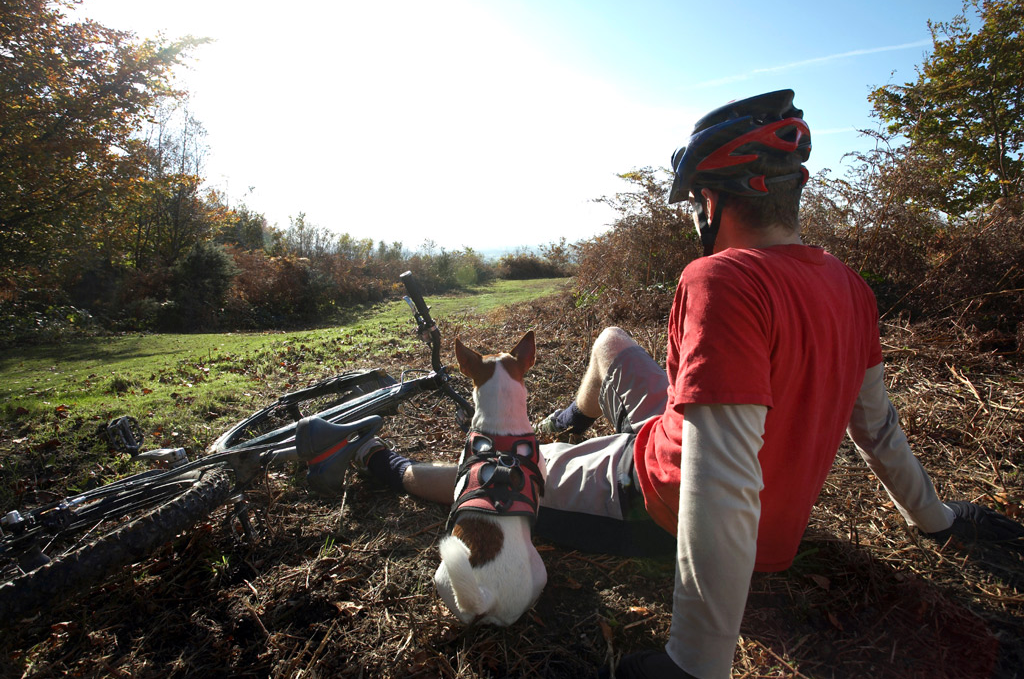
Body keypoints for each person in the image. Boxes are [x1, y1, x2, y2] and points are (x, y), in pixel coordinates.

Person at [347, 89, 1024, 679]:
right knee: (610, 342)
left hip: (650, 496)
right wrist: (937, 520)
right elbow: (876, 426)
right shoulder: (847, 284)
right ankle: (571, 419)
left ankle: (386, 464)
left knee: (498, 468)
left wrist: (694, 661)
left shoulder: (721, 277)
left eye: (697, 200)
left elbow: (720, 479)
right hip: (680, 437)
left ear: (712, 199)